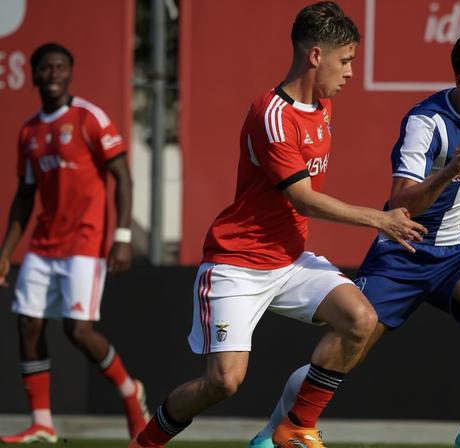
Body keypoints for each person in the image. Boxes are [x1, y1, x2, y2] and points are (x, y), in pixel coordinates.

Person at [129, 2, 426, 447]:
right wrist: (379, 219)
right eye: (344, 61)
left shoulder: (323, 107)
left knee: (360, 319)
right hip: (237, 265)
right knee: (224, 383)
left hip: (288, 262)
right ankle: (145, 442)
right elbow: (301, 198)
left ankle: (292, 428)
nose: (349, 73)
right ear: (314, 57)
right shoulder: (271, 114)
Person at [248, 30, 460, 448]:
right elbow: (404, 204)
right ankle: (270, 435)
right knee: (343, 351)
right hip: (404, 252)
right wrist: (450, 169)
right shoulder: (426, 123)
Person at [0, 42, 149, 444]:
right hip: (42, 245)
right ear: (33, 76)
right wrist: (5, 252)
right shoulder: (30, 131)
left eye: (60, 67)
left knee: (78, 330)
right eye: (44, 68)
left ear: (70, 72)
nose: (52, 73)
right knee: (28, 324)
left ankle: (130, 393)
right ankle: (42, 422)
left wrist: (121, 237)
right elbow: (25, 195)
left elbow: (123, 176)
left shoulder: (88, 118)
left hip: (85, 243)